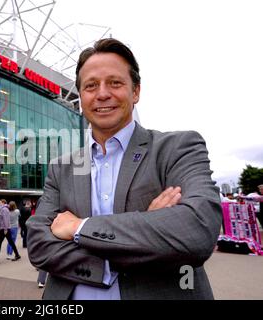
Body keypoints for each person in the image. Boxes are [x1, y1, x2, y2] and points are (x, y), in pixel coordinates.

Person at [26, 38, 222, 300]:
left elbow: (196, 232)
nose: (102, 93)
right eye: (91, 86)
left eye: (115, 83)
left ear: (136, 91)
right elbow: (38, 246)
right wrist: (146, 233)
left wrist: (78, 228)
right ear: (81, 97)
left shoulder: (177, 148)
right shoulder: (61, 168)